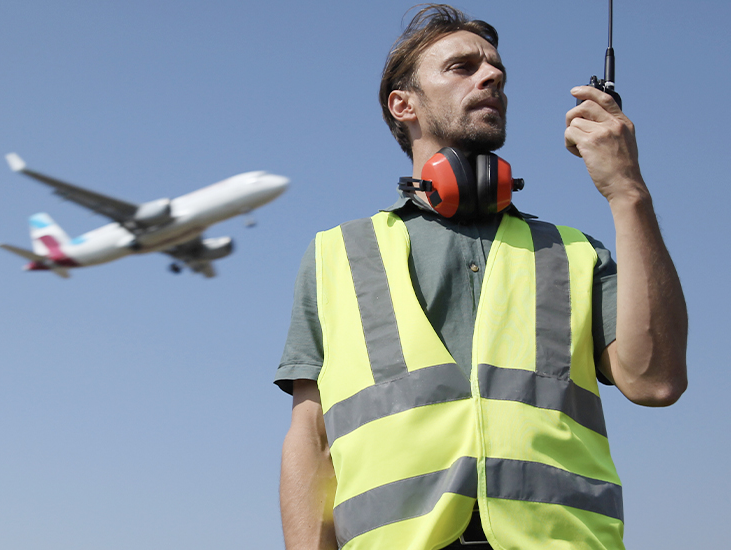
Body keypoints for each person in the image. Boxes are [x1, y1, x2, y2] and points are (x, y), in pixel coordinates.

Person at [275, 5, 688, 550]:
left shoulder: (574, 252)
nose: (491, 76)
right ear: (404, 105)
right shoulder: (336, 254)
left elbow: (655, 380)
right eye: (462, 67)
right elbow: (311, 437)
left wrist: (627, 191)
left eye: (496, 69)